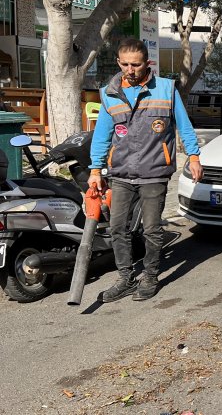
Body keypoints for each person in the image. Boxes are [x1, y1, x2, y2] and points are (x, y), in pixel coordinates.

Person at [88, 38, 203, 302]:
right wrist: (95, 169)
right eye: (126, 64)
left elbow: (183, 126)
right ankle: (125, 278)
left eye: (136, 65)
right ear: (119, 62)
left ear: (147, 63)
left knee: (151, 229)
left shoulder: (165, 89)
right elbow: (102, 135)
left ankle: (150, 276)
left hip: (154, 171)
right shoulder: (109, 93)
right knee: (118, 227)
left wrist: (194, 156)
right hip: (121, 173)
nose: (131, 69)